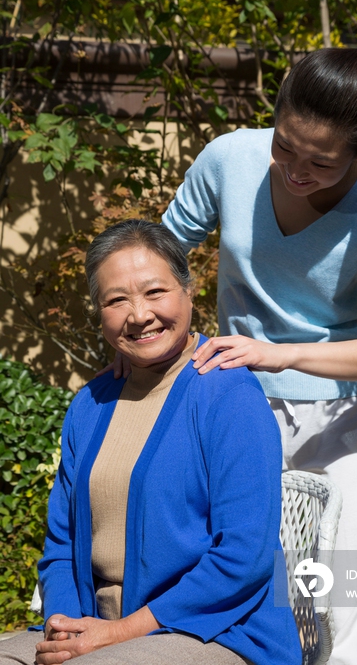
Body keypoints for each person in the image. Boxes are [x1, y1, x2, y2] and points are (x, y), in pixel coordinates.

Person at [158, 39, 357, 665]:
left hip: (345, 424)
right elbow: (161, 254)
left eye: (322, 163)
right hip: (240, 410)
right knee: (256, 601)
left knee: (355, 607)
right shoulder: (229, 159)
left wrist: (284, 354)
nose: (294, 169)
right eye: (285, 146)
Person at [0, 220, 301, 665]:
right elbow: (60, 546)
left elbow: (245, 557)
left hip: (216, 629)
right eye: (116, 300)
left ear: (189, 290)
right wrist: (62, 628)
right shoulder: (90, 404)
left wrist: (117, 633)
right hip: (94, 624)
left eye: (155, 292)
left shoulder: (228, 396)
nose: (139, 314)